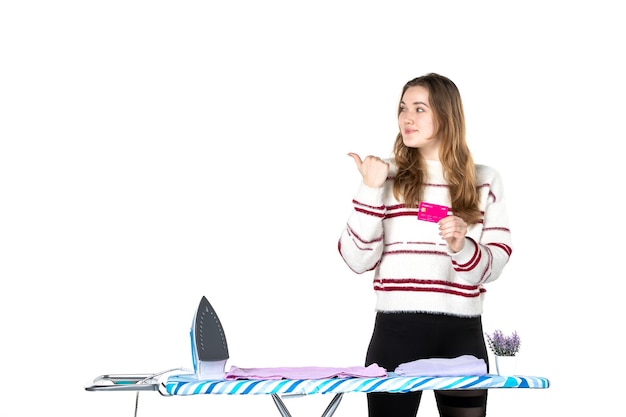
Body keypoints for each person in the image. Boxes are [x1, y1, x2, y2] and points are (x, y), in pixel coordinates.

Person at [338, 73, 512, 417]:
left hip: (462, 333)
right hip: (396, 331)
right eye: (403, 108)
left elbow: (493, 266)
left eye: (420, 109)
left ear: (446, 116)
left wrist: (462, 247)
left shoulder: (485, 180)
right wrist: (369, 191)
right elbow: (356, 259)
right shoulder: (383, 175)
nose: (407, 118)